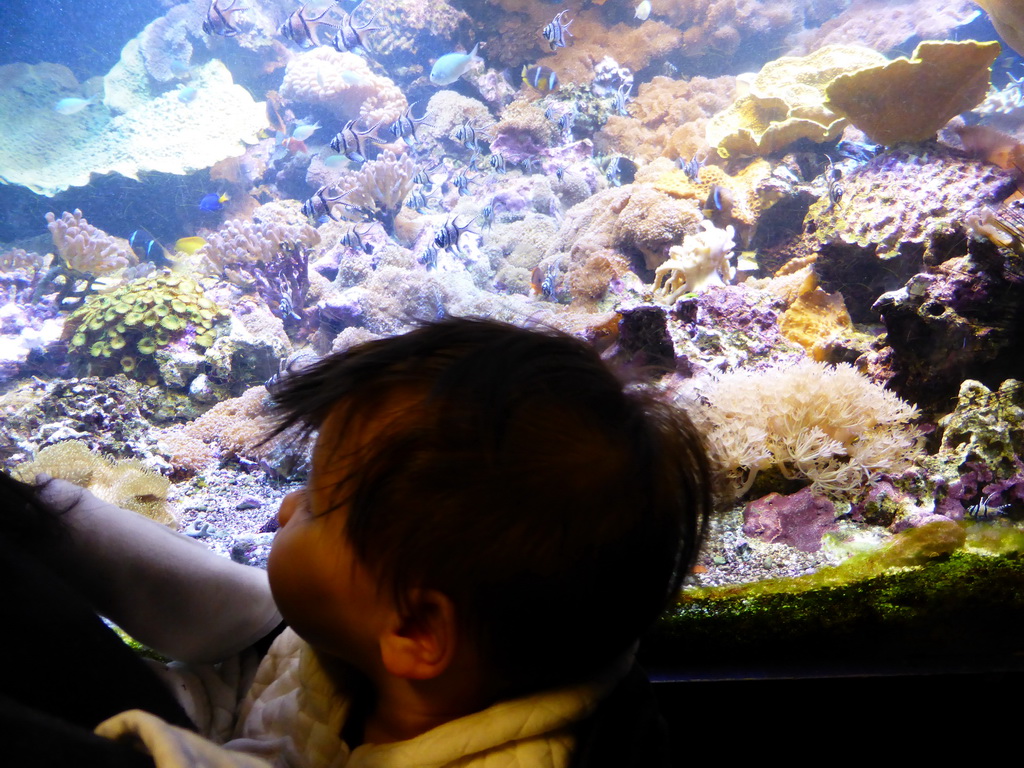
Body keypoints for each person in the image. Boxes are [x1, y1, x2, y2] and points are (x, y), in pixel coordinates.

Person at [6, 317, 713, 767]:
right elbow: (267, 696)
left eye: (317, 503)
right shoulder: (389, 656)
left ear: (411, 628)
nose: (286, 508)